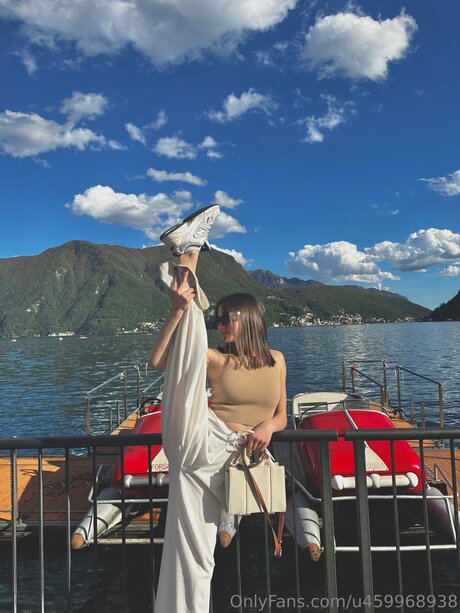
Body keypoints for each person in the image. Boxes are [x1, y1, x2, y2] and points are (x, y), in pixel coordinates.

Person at [148, 204, 287, 613]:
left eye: (226, 319)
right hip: (203, 439)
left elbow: (281, 414)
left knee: (196, 557)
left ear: (249, 318)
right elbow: (158, 362)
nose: (221, 325)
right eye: (219, 319)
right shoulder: (217, 359)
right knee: (190, 334)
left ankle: (188, 252)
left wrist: (269, 427)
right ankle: (188, 255)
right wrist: (176, 311)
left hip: (233, 459)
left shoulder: (278, 360)